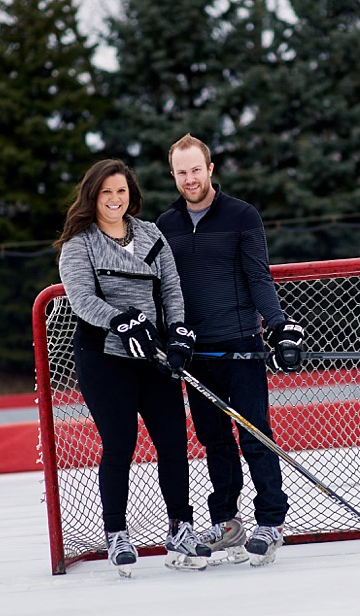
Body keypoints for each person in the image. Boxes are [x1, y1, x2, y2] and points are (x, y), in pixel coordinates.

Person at [54, 158, 211, 576]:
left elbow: (172, 289)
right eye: (106, 192)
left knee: (174, 444)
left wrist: (177, 333)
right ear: (93, 196)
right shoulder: (80, 243)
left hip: (153, 358)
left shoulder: (150, 234)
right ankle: (117, 535)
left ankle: (180, 528)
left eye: (121, 191)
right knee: (120, 445)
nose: (114, 199)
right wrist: (120, 320)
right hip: (106, 359)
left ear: (131, 194)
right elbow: (82, 299)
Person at [156, 134, 305, 567]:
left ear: (210, 168)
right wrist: (171, 336)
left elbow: (259, 277)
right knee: (214, 439)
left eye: (195, 169)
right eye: (181, 172)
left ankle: (271, 521)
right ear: (174, 175)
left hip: (241, 346)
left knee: (254, 432)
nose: (189, 179)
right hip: (196, 353)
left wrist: (277, 327)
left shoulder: (242, 215)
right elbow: (164, 288)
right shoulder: (166, 225)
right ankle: (226, 521)